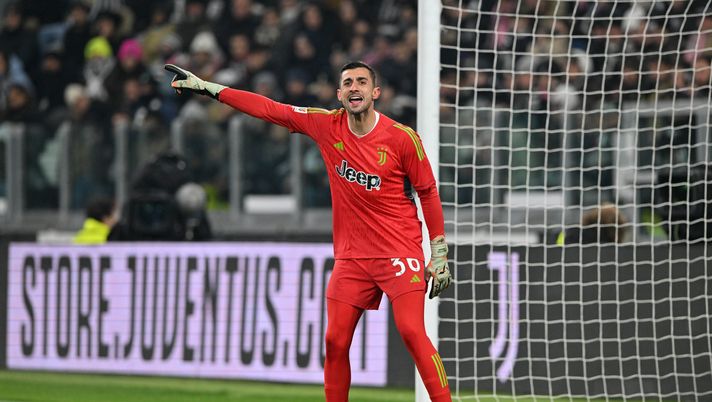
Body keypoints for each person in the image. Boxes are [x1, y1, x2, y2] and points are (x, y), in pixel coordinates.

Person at [166, 61, 453, 402]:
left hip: (399, 251)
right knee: (334, 342)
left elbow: (428, 192)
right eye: (347, 83)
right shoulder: (326, 124)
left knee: (411, 331)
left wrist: (438, 252)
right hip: (352, 258)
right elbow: (270, 109)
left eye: (362, 82)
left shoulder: (403, 138)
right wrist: (209, 88)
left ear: (375, 93)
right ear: (339, 94)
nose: (354, 88)